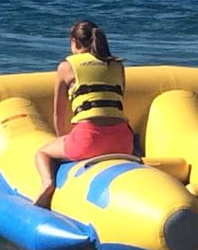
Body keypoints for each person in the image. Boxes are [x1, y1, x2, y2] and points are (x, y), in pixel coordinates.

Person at [34, 21, 134, 208]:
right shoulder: (117, 65)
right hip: (123, 142)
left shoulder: (66, 67)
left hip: (88, 142)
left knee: (42, 152)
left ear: (75, 42)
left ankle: (47, 184)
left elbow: (58, 112)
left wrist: (62, 138)